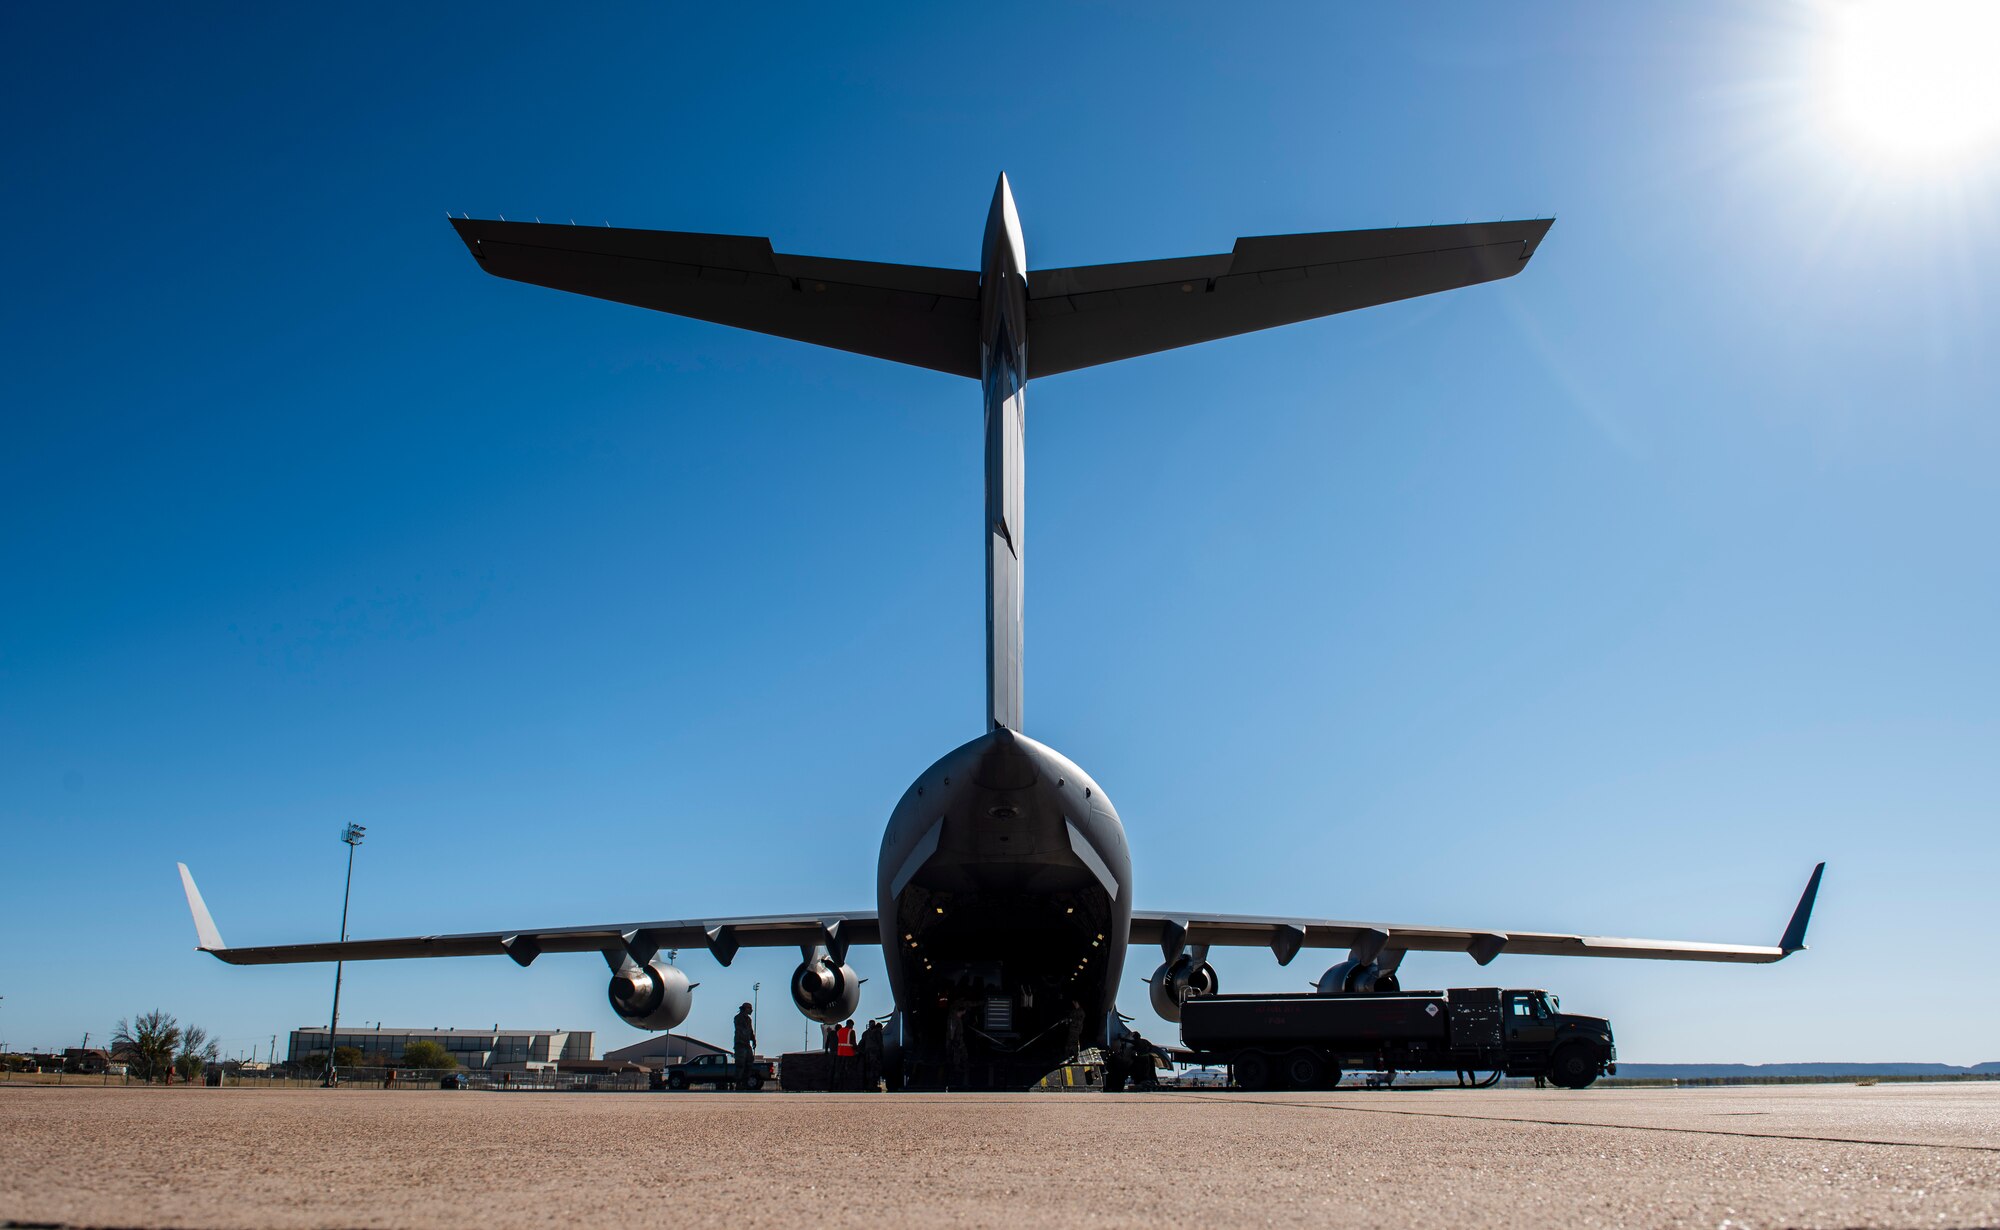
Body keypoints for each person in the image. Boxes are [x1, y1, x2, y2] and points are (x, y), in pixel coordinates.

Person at [733, 1002, 756, 1088]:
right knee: (740, 1064)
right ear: (745, 1009)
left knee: (749, 1062)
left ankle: (745, 1081)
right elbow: (742, 1030)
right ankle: (739, 1083)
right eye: (749, 1008)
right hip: (740, 1044)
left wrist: (753, 1040)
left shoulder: (748, 1019)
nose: (751, 1010)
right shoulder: (738, 1018)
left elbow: (750, 1030)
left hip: (746, 1044)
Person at [860, 1019, 884, 1092]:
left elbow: (861, 1044)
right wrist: (882, 1054)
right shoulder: (877, 1032)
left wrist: (861, 1051)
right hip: (875, 1055)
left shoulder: (865, 1033)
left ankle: (868, 1085)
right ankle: (873, 1085)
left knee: (868, 1070)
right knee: (875, 1070)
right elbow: (880, 1044)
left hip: (867, 1055)